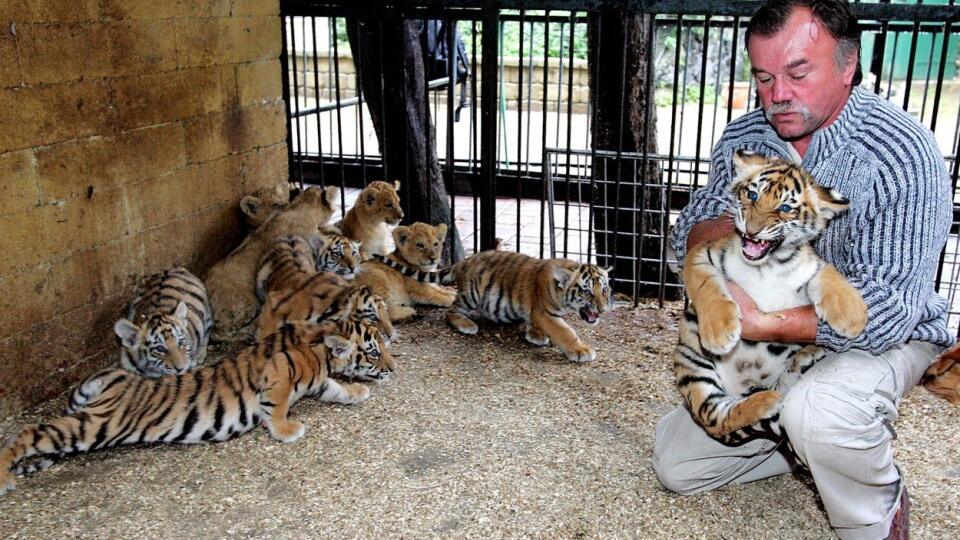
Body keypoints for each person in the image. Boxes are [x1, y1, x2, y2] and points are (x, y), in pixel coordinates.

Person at [653, 1, 954, 538]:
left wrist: (764, 322)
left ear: (847, 65)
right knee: (680, 465)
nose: (777, 95)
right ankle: (811, 446)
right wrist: (716, 271)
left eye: (797, 72)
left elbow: (884, 310)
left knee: (822, 415)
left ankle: (876, 510)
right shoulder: (748, 133)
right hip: (775, 330)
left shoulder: (902, 152)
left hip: (883, 333)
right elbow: (698, 222)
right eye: (764, 77)